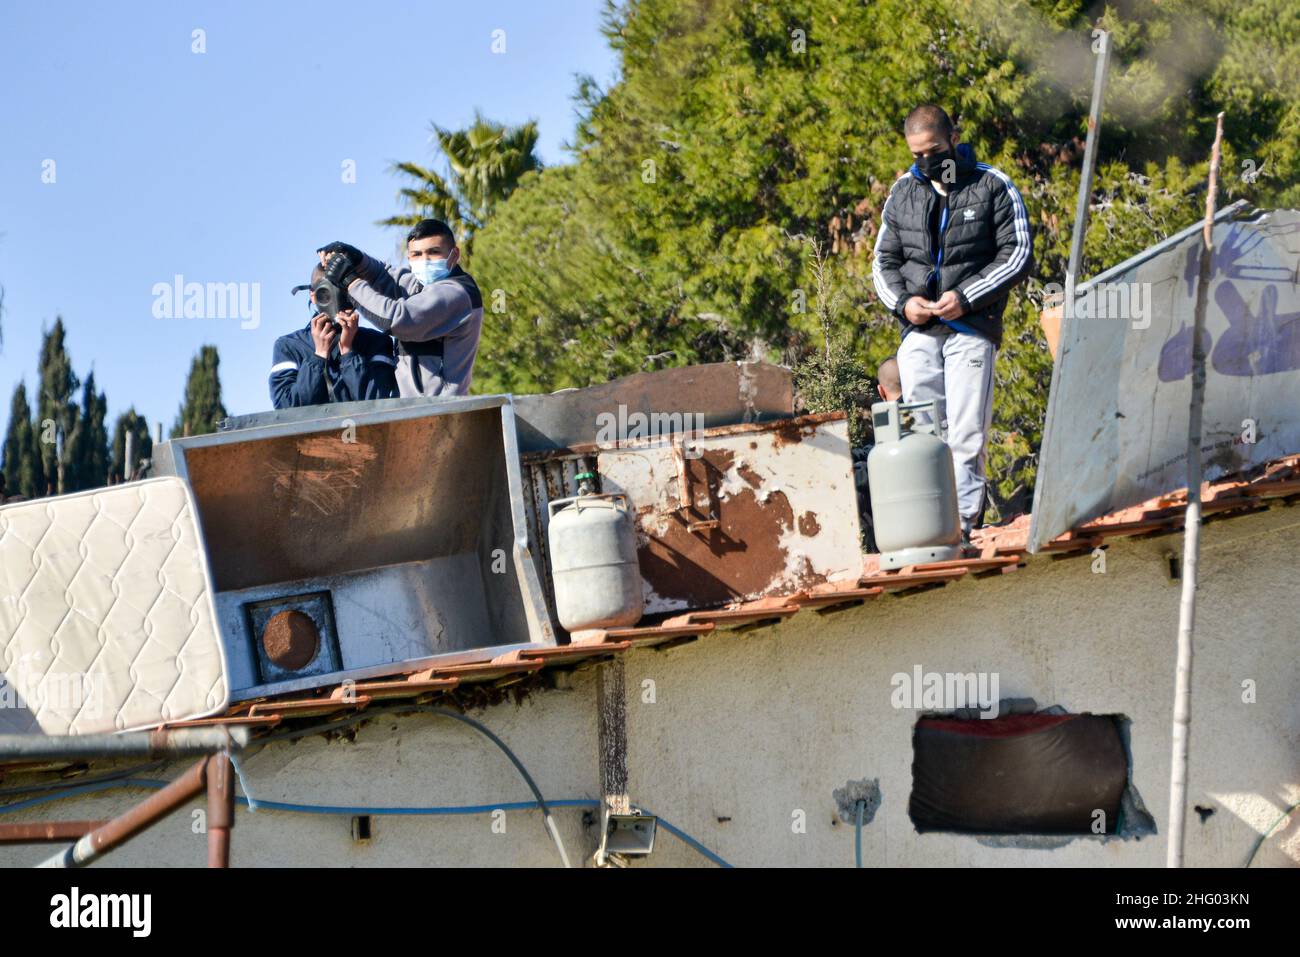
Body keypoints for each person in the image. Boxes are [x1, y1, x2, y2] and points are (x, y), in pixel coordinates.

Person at [871, 104, 1033, 541]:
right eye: (917, 154)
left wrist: (966, 297)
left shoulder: (992, 184)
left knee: (966, 430)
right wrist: (905, 305)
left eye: (934, 151)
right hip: (919, 330)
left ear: (952, 139)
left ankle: (962, 525)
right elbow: (883, 261)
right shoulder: (903, 191)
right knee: (924, 430)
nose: (926, 162)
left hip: (971, 328)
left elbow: (1016, 254)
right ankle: (929, 525)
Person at [314, 219, 484, 397]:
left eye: (434, 252)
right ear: (409, 258)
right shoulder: (423, 286)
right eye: (417, 254)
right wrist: (357, 259)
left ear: (454, 255)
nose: (424, 260)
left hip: (439, 411)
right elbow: (384, 276)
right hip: (416, 410)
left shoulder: (456, 293)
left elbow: (395, 318)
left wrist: (351, 281)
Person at [269, 265, 399, 409]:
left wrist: (348, 352)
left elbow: (377, 404)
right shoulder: (289, 346)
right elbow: (287, 409)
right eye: (328, 294)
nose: (338, 301)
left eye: (345, 293)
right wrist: (318, 357)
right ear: (313, 296)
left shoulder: (377, 342)